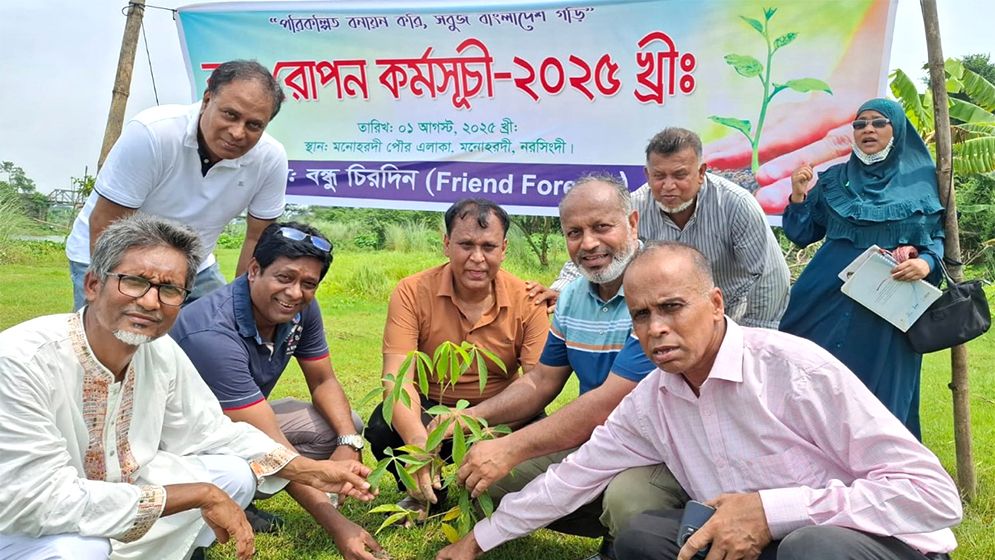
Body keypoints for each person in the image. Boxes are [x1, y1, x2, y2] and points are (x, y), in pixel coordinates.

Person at [436, 242, 962, 560]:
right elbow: (572, 477)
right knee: (644, 538)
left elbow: (934, 496)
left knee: (812, 547)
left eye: (672, 307)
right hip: (749, 541)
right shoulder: (654, 401)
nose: (656, 329)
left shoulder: (793, 369)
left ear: (714, 304)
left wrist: (772, 511)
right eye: (641, 315)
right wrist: (476, 543)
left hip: (861, 544)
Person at [0, 214, 375, 560]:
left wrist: (310, 469)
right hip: (19, 520)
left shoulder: (159, 350)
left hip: (122, 484)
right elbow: (39, 500)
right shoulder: (21, 361)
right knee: (80, 549)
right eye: (134, 282)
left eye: (170, 290)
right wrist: (197, 494)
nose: (150, 302)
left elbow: (211, 431)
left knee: (234, 475)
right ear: (94, 284)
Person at [438, 176, 686, 558]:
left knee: (629, 504)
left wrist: (512, 446)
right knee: (490, 480)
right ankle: (602, 524)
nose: (588, 243)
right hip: (598, 441)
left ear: (632, 223)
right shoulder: (572, 295)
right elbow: (540, 381)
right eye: (574, 232)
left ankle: (629, 544)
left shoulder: (656, 290)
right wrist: (469, 417)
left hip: (660, 449)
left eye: (602, 227)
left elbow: (609, 402)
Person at [170, 221, 382, 559]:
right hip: (182, 444)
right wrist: (338, 525)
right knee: (246, 468)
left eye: (308, 283)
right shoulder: (212, 333)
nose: (295, 293)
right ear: (254, 270)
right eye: (284, 278)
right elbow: (270, 446)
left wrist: (349, 443)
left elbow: (323, 381)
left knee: (344, 423)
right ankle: (217, 504)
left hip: (240, 423)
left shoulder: (301, 310)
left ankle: (246, 499)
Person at [366, 198, 549, 511]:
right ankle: (424, 493)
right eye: (465, 244)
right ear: (446, 244)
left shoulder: (528, 299)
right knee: (384, 425)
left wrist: (468, 419)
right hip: (430, 410)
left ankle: (492, 498)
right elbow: (397, 380)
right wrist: (419, 443)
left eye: (488, 247)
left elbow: (536, 385)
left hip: (497, 414)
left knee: (537, 434)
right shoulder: (412, 291)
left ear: (504, 248)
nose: (477, 258)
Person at [778, 98, 945, 440]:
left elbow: (936, 242)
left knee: (881, 394)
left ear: (896, 130)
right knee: (810, 382)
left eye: (878, 122)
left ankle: (883, 474)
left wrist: (924, 264)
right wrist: (798, 196)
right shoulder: (834, 180)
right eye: (860, 124)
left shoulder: (923, 183)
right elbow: (802, 234)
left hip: (886, 306)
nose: (867, 129)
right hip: (824, 299)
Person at [67, 59, 290, 310]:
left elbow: (256, 238)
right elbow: (106, 220)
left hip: (194, 264)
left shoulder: (270, 158)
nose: (238, 133)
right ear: (207, 100)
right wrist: (119, 286)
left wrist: (241, 309)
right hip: (110, 251)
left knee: (220, 335)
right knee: (113, 339)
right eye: (230, 115)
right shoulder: (153, 133)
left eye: (254, 125)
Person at [542, 128, 790, 329]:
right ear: (647, 174)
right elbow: (599, 248)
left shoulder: (736, 204)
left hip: (731, 314)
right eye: (659, 176)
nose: (668, 186)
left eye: (680, 175)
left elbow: (770, 274)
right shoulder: (635, 206)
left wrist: (753, 333)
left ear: (701, 172)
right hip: (665, 319)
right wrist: (559, 288)